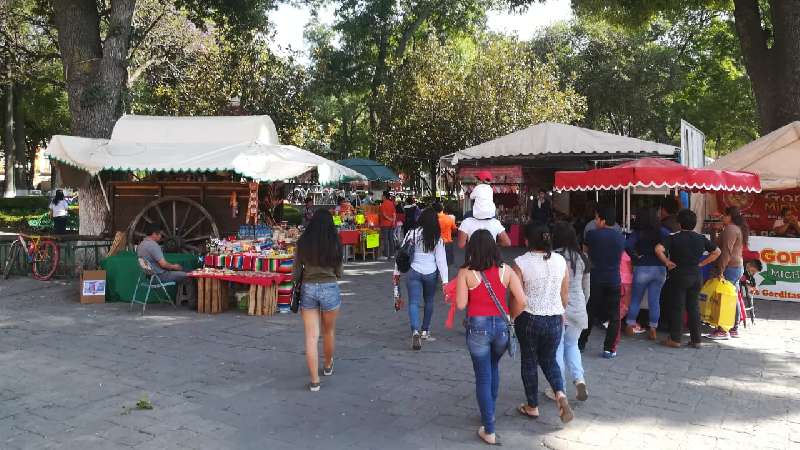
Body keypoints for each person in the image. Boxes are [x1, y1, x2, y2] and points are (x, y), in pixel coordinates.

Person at [455, 229, 526, 445]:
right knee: (493, 368)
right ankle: (490, 413)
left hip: (478, 328)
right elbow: (522, 300)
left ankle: (489, 428)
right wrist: (511, 318)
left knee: (483, 376)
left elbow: (460, 304)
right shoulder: (507, 270)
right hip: (501, 327)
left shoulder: (466, 272)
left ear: (471, 248)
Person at [513, 224, 574, 424]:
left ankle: (532, 406)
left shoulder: (521, 263)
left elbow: (517, 298)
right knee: (549, 360)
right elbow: (565, 294)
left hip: (529, 318)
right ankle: (560, 394)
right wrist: (560, 311)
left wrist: (511, 317)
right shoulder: (560, 261)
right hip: (555, 318)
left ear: (527, 240)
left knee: (529, 360)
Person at [294, 209, 344, 392]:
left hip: (308, 288)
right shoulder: (335, 242)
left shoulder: (303, 242)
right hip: (330, 287)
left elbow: (296, 272)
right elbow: (340, 272)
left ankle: (315, 381)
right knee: (328, 331)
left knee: (311, 336)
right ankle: (328, 365)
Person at [656, 209, 720, 348]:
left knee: (678, 307)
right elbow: (717, 252)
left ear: (679, 223)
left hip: (679, 274)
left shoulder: (673, 237)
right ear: (695, 223)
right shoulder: (701, 238)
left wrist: (667, 262)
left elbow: (658, 249)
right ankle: (696, 340)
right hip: (696, 275)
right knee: (694, 307)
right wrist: (702, 263)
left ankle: (675, 339)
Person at [394, 208, 448, 350]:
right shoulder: (437, 238)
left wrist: (397, 272)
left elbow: (402, 254)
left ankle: (415, 331)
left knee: (413, 302)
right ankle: (425, 331)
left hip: (414, 271)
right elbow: (441, 261)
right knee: (429, 301)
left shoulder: (412, 233)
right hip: (431, 272)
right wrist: (445, 281)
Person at [549, 222, 590, 402]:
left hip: (557, 308)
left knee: (557, 348)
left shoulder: (552, 257)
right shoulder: (582, 258)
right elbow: (586, 290)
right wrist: (581, 305)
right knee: (572, 345)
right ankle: (579, 379)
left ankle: (559, 389)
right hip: (578, 308)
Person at [579, 207, 625, 358]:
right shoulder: (621, 237)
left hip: (596, 278)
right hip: (614, 279)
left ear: (603, 220)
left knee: (590, 312)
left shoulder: (592, 235)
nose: (595, 221)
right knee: (614, 316)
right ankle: (609, 348)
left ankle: (581, 343)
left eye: (596, 218)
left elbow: (585, 252)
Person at [624, 208, 670, 340]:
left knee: (636, 299)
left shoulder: (638, 233)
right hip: (660, 268)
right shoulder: (663, 232)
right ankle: (653, 328)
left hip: (642, 267)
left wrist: (635, 257)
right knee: (654, 300)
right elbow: (670, 241)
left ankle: (630, 325)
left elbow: (627, 245)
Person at [708, 206, 749, 340]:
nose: (722, 218)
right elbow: (717, 246)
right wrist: (714, 231)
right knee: (733, 297)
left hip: (729, 267)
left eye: (724, 216)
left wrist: (721, 270)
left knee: (725, 298)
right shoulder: (735, 228)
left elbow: (726, 252)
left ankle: (723, 329)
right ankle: (733, 328)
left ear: (730, 216)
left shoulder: (731, 229)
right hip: (735, 266)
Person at [434, 201, 458, 266]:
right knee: (447, 264)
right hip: (447, 242)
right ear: (442, 209)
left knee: (435, 263)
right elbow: (455, 230)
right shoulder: (449, 218)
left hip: (435, 243)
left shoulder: (432, 219)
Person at [379, 191, 397, 259]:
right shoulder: (391, 204)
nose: (381, 197)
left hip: (385, 224)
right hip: (391, 224)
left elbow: (384, 214)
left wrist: (389, 219)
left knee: (386, 239)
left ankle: (386, 255)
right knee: (391, 239)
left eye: (382, 196)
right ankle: (392, 254)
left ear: (384, 196)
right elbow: (394, 214)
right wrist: (393, 221)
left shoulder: (383, 204)